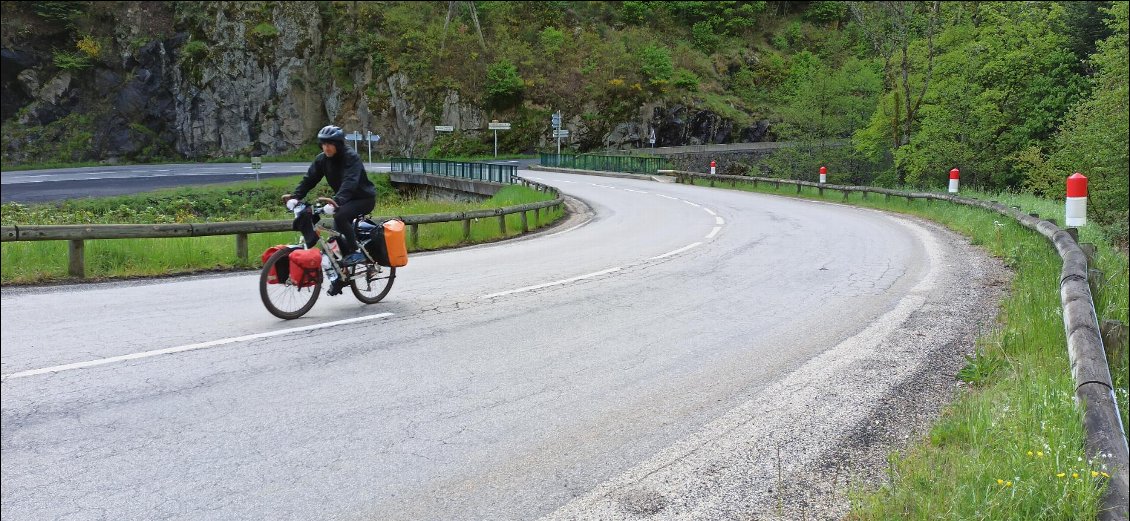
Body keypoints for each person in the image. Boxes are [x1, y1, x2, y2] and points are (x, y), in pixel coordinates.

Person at [282, 125, 377, 269]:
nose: (326, 148)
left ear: (338, 144)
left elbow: (350, 182)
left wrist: (336, 202)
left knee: (340, 216)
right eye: (324, 144)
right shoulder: (322, 159)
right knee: (336, 237)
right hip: (344, 200)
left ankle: (356, 252)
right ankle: (341, 275)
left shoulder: (351, 157)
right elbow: (310, 179)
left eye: (330, 144)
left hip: (363, 199)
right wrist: (296, 197)